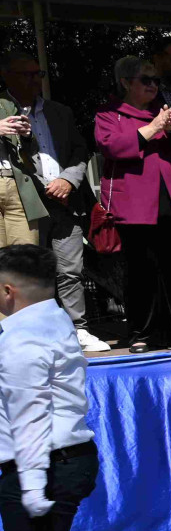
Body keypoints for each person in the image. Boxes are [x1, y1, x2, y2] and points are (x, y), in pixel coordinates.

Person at [0, 245, 171, 531]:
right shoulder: (50, 319)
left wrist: (33, 485)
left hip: (40, 463)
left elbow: (30, 418)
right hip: (60, 459)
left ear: (6, 291)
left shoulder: (21, 341)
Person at [0, 50, 110, 350]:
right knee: (28, 270)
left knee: (70, 269)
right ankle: (33, 331)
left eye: (39, 73)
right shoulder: (2, 109)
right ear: (7, 76)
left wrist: (68, 180)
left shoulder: (59, 111)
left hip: (65, 200)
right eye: (27, 74)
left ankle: (77, 328)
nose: (35, 79)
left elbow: (79, 150)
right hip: (25, 201)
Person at [94, 55, 171, 353]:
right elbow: (112, 146)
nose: (154, 85)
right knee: (141, 272)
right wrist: (153, 127)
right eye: (146, 80)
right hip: (134, 205)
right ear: (126, 82)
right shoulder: (109, 114)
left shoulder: (165, 113)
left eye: (156, 80)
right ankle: (142, 332)